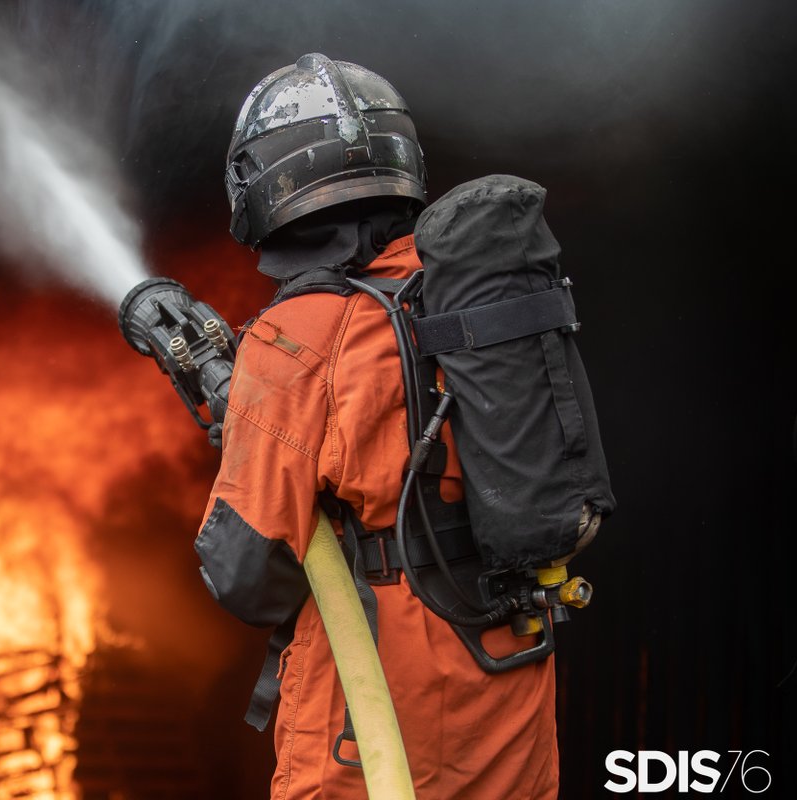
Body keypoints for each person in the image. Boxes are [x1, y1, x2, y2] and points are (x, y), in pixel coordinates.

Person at [195, 54, 561, 799]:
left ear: (261, 187)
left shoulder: (295, 337)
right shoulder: (470, 299)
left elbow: (246, 578)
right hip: (510, 689)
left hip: (374, 721)